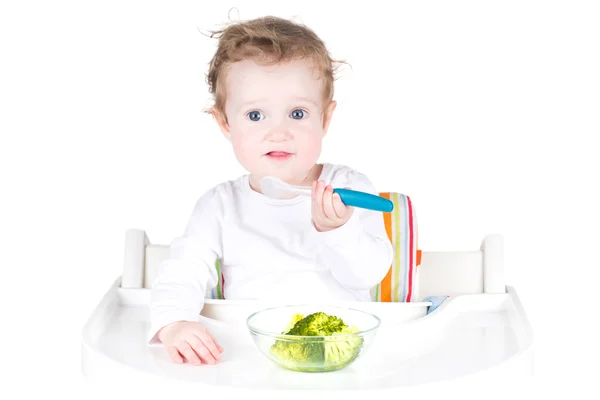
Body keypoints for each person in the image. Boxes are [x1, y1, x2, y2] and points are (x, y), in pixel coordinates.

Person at [148, 15, 393, 367]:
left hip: (343, 355)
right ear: (225, 123)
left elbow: (369, 274)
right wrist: (175, 323)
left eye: (297, 113)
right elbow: (181, 272)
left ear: (325, 119)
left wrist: (338, 230)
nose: (278, 132)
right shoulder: (220, 206)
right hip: (247, 356)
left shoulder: (349, 189)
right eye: (255, 116)